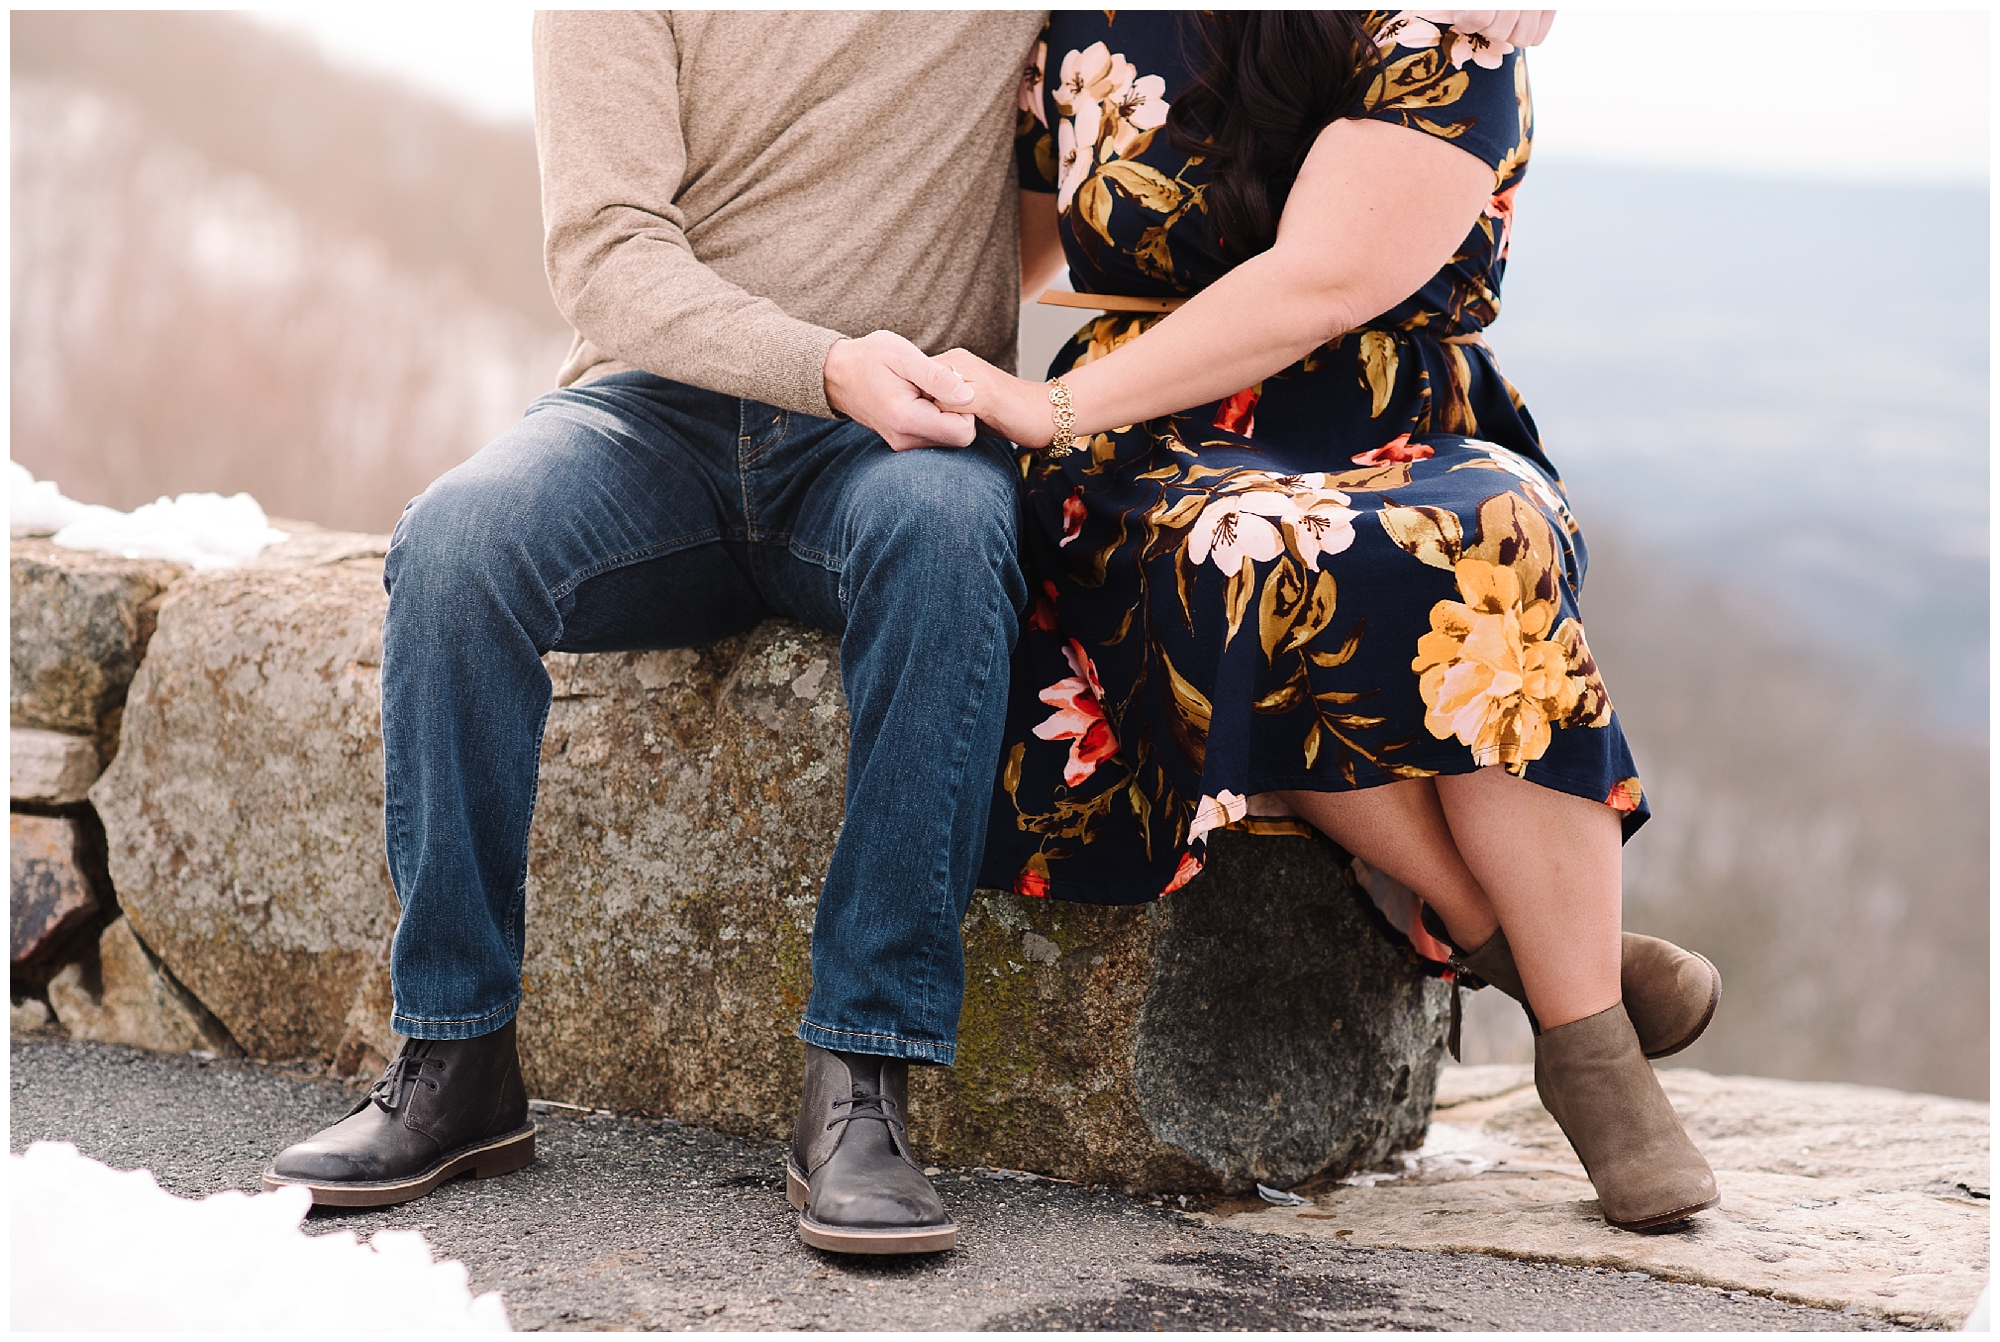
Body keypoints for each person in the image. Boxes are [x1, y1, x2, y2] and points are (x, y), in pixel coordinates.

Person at [261, 12, 1048, 1254]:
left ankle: (861, 1084)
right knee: (457, 543)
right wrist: (825, 360)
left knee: (951, 542)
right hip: (651, 424)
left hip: (893, 442)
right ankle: (457, 1059)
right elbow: (606, 254)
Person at [938, 10, 1724, 1232]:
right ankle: (1552, 976)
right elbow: (1003, 241)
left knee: (1474, 543)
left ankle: (1586, 1065)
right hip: (1151, 435)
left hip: (1388, 408)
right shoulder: (1085, 21)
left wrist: (1051, 405)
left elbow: (1325, 280)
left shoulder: (1437, 20)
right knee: (1244, 560)